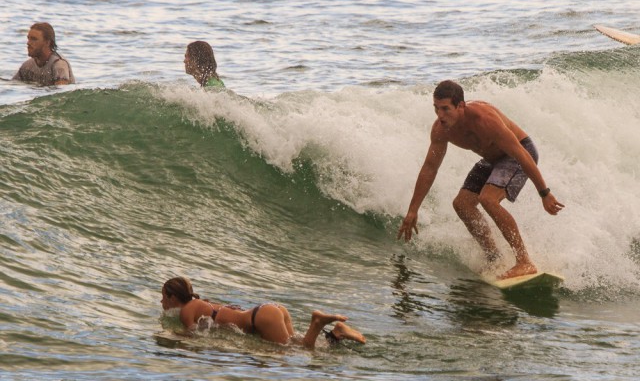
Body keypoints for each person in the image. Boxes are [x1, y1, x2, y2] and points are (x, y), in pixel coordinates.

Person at [397, 80, 564, 280]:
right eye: (436, 108)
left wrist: (544, 193)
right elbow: (430, 168)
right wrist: (413, 209)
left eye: (445, 109)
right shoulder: (441, 130)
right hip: (493, 159)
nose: (440, 116)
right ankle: (494, 257)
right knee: (462, 204)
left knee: (488, 199)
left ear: (461, 106)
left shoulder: (485, 119)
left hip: (519, 153)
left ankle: (524, 262)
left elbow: (521, 154)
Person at [161, 277, 366, 349]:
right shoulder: (202, 303)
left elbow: (193, 336)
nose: (161, 301)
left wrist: (173, 335)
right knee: (297, 343)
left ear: (172, 297)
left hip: (261, 317)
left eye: (163, 297)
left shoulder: (186, 311)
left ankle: (317, 322)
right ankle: (337, 333)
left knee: (296, 351)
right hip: (269, 310)